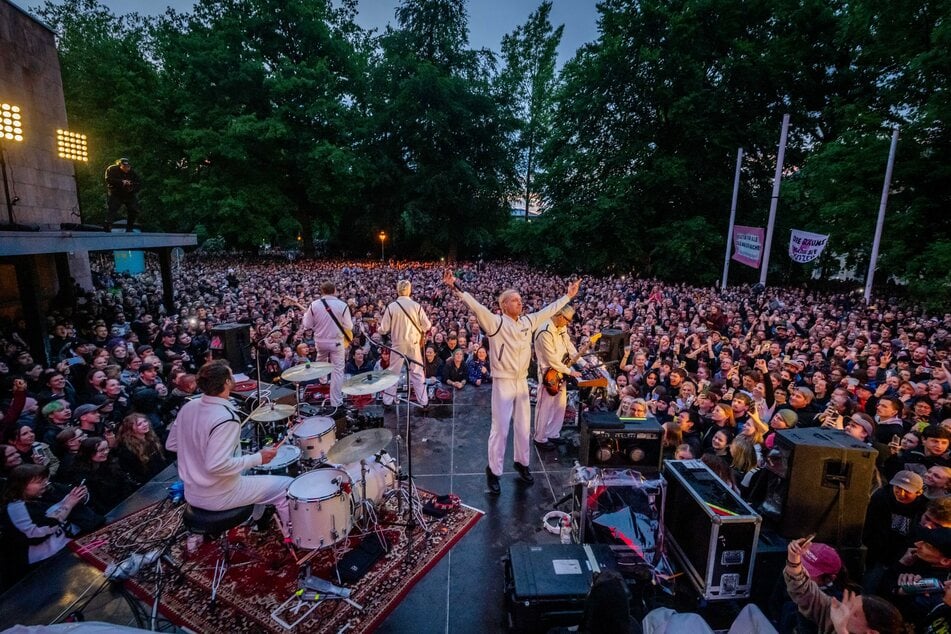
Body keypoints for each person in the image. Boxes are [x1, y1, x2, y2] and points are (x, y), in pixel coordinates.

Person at [443, 269, 579, 494]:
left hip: (522, 381)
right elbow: (475, 305)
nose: (520, 303)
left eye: (520, 300)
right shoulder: (495, 322)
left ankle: (522, 463)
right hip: (503, 382)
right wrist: (454, 286)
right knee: (500, 429)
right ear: (503, 305)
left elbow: (548, 311)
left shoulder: (527, 321)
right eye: (515, 300)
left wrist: (568, 297)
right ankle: (494, 472)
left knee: (523, 427)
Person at [165, 360, 291, 527]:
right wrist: (258, 458)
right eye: (231, 375)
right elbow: (216, 465)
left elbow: (172, 444)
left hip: (192, 491)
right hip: (219, 494)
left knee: (254, 476)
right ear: (226, 382)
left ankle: (255, 521)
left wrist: (200, 450)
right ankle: (292, 534)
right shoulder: (225, 418)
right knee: (287, 486)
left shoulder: (189, 406)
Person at [784, 536, 905, 634]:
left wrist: (841, 630)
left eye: (853, 611)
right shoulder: (836, 611)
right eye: (849, 603)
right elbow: (805, 593)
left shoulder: (840, 621)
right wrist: (794, 560)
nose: (844, 609)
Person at [533, 305, 581, 450]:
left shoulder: (561, 327)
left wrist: (581, 361)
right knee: (545, 407)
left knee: (560, 405)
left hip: (562, 370)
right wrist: (570, 371)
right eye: (567, 320)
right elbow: (551, 359)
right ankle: (539, 437)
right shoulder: (544, 331)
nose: (568, 323)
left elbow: (569, 346)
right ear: (560, 316)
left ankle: (553, 433)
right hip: (549, 372)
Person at [378, 279, 431, 408]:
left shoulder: (392, 306)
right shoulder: (416, 306)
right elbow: (427, 325)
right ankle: (424, 402)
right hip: (413, 343)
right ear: (409, 290)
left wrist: (379, 328)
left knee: (393, 373)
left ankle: (387, 401)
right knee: (417, 372)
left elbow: (384, 329)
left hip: (398, 344)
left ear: (397, 290)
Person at [300, 282, 353, 407]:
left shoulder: (314, 305)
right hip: (337, 342)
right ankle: (336, 402)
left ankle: (323, 380)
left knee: (321, 362)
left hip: (320, 341)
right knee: (338, 371)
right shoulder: (342, 305)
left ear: (322, 291)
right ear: (334, 290)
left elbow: (307, 325)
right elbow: (349, 326)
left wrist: (306, 317)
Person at [103, 158, 141, 232]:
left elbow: (138, 183)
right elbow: (108, 179)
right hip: (116, 193)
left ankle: (129, 228)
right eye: (124, 167)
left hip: (128, 194)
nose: (126, 169)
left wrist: (131, 186)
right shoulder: (112, 169)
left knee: (133, 209)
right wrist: (121, 182)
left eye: (128, 167)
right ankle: (107, 226)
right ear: (120, 166)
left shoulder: (132, 173)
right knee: (112, 209)